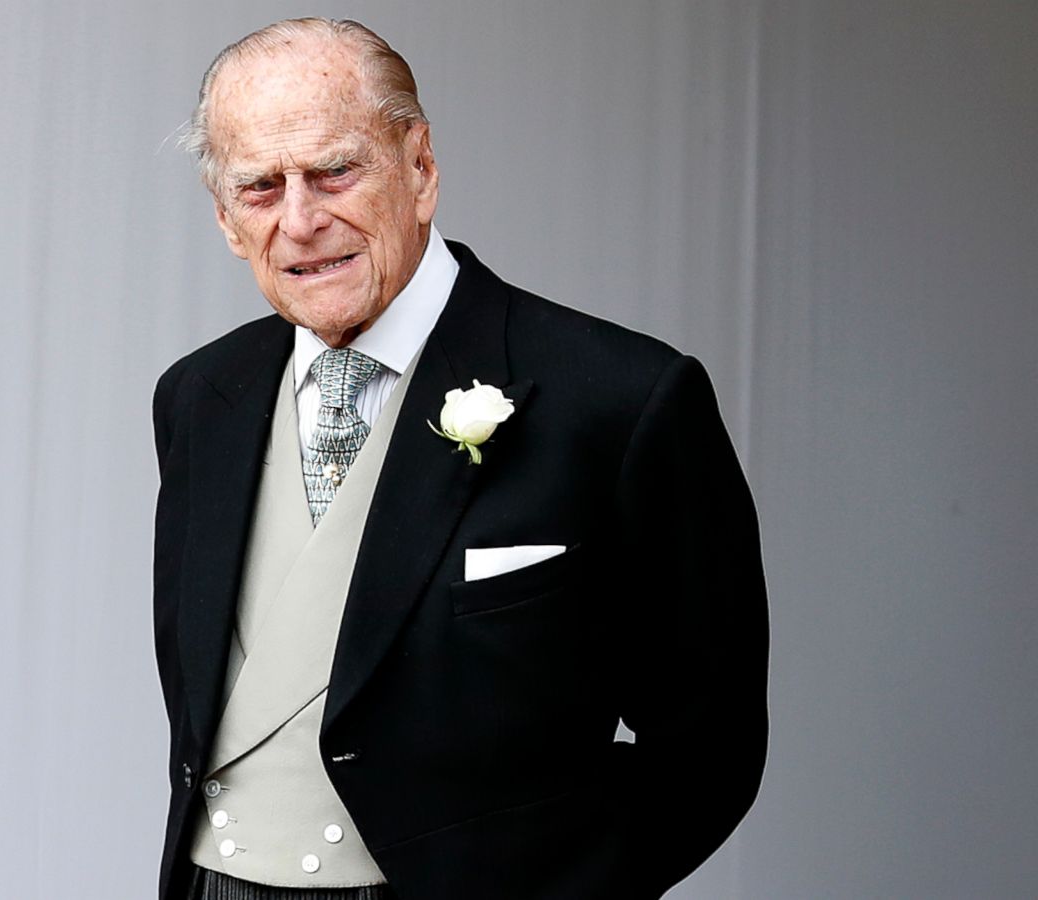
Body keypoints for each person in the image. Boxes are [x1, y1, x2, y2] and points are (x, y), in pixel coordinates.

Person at [150, 17, 767, 900]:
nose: (301, 220)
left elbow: (711, 746)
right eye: (259, 188)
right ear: (224, 218)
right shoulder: (197, 399)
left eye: (334, 171)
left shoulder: (622, 398)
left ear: (420, 167)